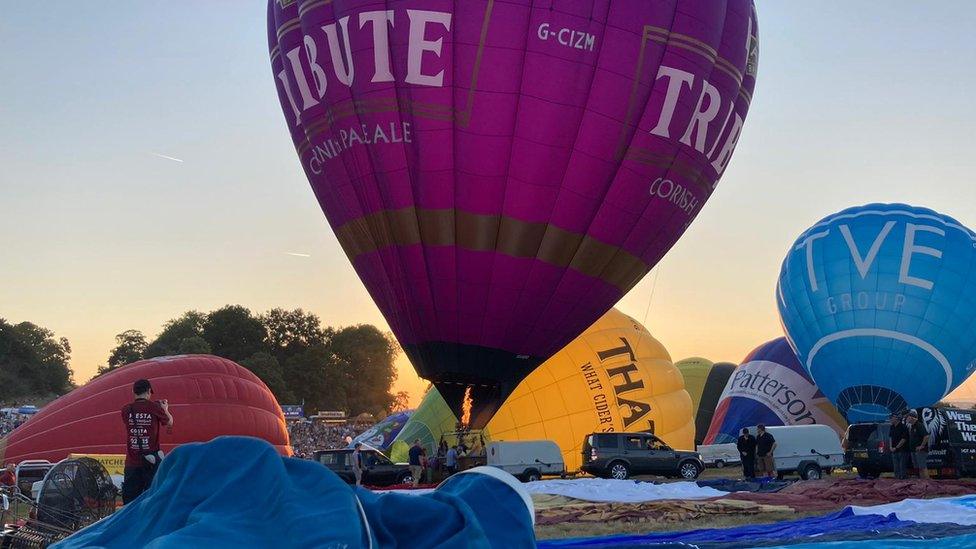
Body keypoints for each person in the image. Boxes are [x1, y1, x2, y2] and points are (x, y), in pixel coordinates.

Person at [121, 379, 173, 504]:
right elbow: (170, 423)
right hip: (151, 464)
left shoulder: (126, 409)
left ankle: (131, 523)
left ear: (133, 391)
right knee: (151, 501)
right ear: (149, 391)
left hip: (132, 463)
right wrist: (165, 409)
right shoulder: (154, 408)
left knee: (130, 503)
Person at [906, 410, 930, 479]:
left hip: (920, 451)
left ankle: (927, 482)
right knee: (919, 468)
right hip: (914, 450)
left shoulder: (919, 425)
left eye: (908, 417)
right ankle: (922, 482)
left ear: (912, 418)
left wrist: (922, 446)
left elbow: (926, 436)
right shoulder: (912, 426)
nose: (907, 419)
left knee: (922, 467)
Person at [889, 413, 910, 480]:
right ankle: (897, 479)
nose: (890, 419)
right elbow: (890, 437)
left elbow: (904, 439)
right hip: (894, 450)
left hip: (902, 450)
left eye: (892, 417)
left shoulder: (903, 427)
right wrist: (890, 447)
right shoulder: (892, 427)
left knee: (902, 466)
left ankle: (903, 479)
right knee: (896, 466)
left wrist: (896, 447)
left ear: (896, 418)